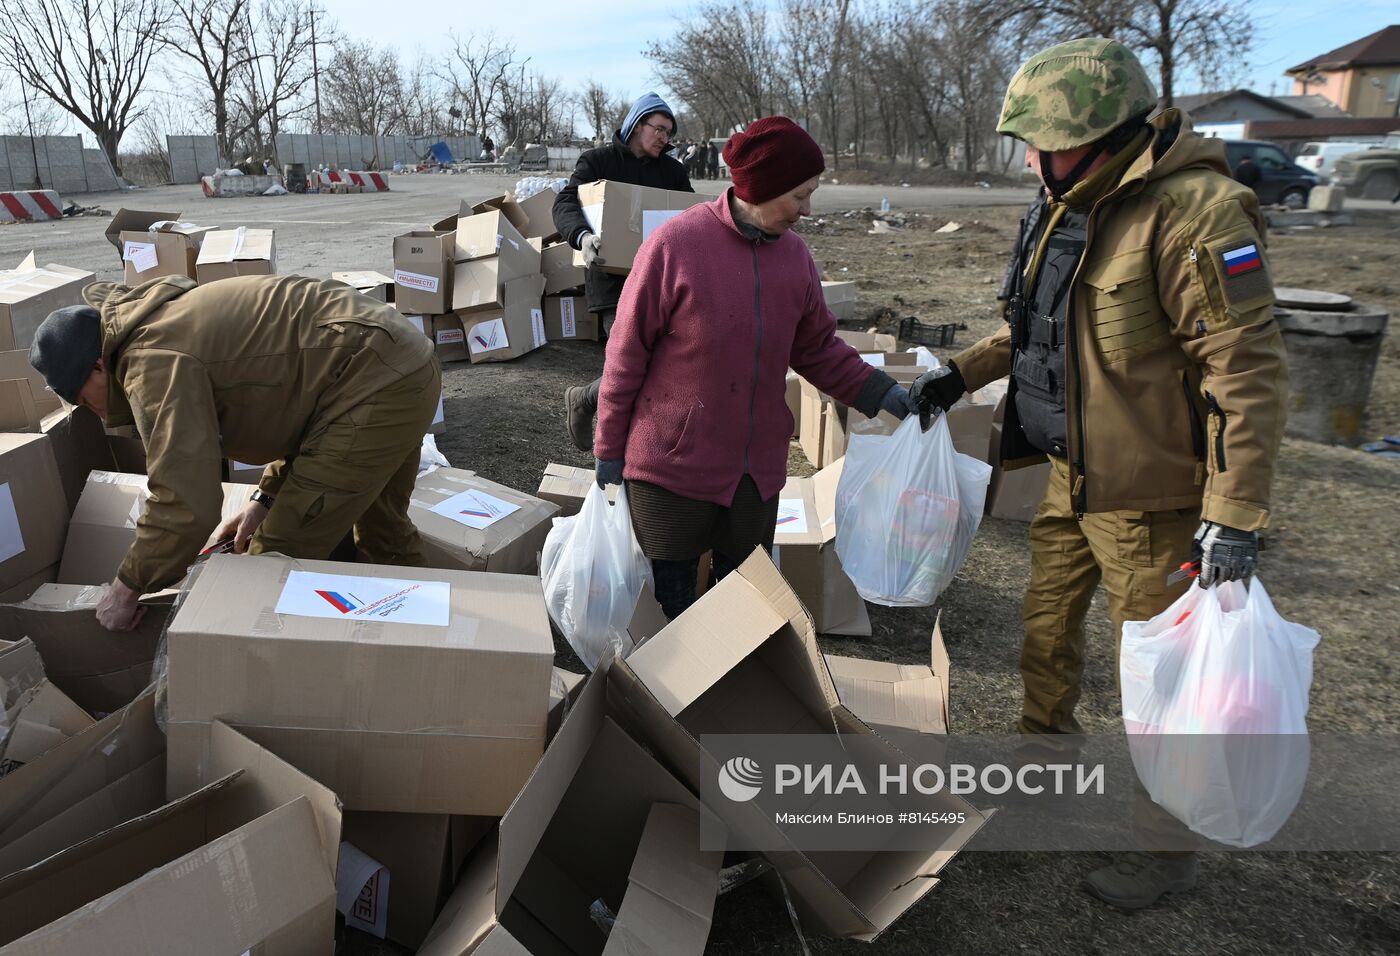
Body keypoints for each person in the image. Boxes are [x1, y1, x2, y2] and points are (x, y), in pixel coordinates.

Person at [912, 38, 1288, 909]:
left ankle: (1165, 851)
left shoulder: (1198, 213)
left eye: (1047, 144)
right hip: (1069, 480)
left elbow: (1247, 371)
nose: (1035, 163)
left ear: (1104, 134)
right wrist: (957, 375)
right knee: (1044, 636)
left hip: (1155, 503)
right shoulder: (1066, 203)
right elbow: (1037, 330)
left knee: (1158, 684)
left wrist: (1233, 514)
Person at [593, 116, 916, 620]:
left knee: (739, 604)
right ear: (762, 188)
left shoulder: (795, 259)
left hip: (754, 477)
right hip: (672, 466)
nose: (807, 209)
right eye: (799, 195)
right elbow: (625, 354)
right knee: (672, 605)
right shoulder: (676, 246)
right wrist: (609, 449)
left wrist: (881, 391)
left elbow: (818, 349)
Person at [28, 275, 440, 632]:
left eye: (87, 399)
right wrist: (264, 499)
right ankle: (451, 642)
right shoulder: (156, 324)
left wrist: (126, 589)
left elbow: (184, 502)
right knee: (383, 530)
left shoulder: (151, 364)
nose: (97, 414)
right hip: (400, 361)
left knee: (271, 565)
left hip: (376, 383)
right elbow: (304, 398)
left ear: (99, 366)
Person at [554, 92, 693, 451]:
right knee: (633, 364)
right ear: (636, 124)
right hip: (612, 281)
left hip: (663, 282)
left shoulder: (673, 172)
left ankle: (590, 402)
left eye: (669, 132)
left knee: (661, 364)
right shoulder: (597, 162)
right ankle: (613, 439)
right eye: (658, 129)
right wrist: (581, 237)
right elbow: (566, 202)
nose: (664, 138)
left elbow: (692, 217)